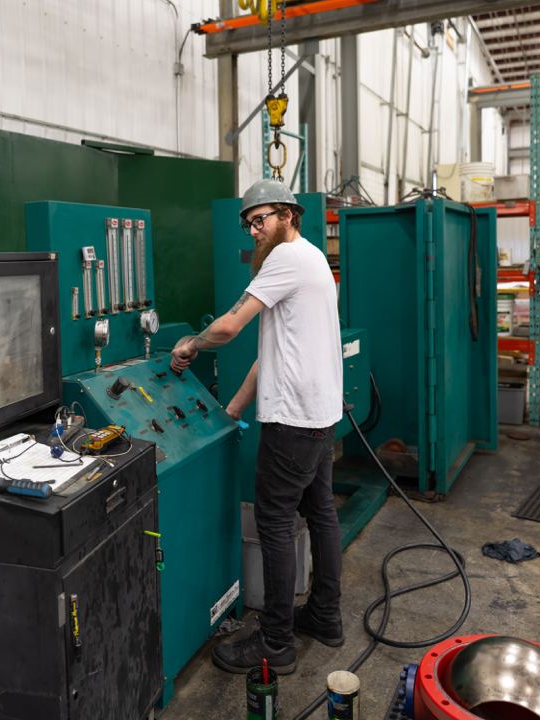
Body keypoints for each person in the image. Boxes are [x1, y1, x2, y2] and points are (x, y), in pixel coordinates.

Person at [170, 179, 344, 675]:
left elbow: (228, 328)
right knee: (322, 512)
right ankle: (325, 617)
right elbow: (276, 350)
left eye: (261, 218)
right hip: (319, 414)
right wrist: (235, 407)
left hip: (292, 423)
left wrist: (191, 344)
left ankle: (275, 642)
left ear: (289, 213)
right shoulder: (312, 258)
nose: (255, 228)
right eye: (249, 222)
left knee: (274, 524)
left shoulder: (285, 260)